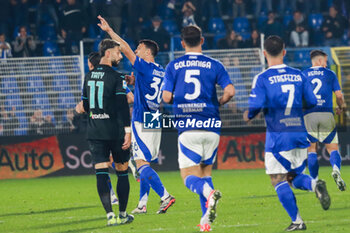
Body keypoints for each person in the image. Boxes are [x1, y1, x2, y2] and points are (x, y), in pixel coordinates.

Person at [244, 36, 330, 231]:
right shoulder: (299, 75)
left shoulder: (263, 78)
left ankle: (297, 221)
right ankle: (314, 185)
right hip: (299, 133)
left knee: (278, 179)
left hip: (277, 137)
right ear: (284, 52)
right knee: (294, 176)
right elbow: (311, 101)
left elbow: (254, 108)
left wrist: (249, 114)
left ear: (264, 53)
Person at [98, 15, 175, 215]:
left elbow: (123, 46)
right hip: (155, 117)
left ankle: (165, 196)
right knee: (145, 163)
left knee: (140, 164)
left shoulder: (145, 65)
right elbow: (144, 84)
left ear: (147, 52)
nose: (136, 51)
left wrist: (109, 31)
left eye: (139, 48)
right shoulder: (161, 70)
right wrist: (130, 81)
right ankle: (142, 203)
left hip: (141, 118)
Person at [162, 25, 235, 232]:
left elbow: (166, 97)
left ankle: (209, 194)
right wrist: (218, 102)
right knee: (205, 173)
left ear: (182, 43)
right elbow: (230, 91)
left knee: (188, 177)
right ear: (202, 41)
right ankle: (206, 222)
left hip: (189, 127)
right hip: (211, 126)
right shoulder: (215, 65)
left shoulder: (174, 66)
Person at [79, 39, 134, 226]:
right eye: (118, 53)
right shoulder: (116, 77)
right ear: (108, 53)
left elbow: (86, 105)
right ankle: (124, 213)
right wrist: (128, 131)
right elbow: (122, 106)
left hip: (95, 131)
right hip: (115, 131)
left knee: (101, 173)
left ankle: (110, 215)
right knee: (122, 172)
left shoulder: (88, 76)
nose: (121, 56)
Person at [303, 50, 346, 191]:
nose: (326, 64)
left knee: (311, 149)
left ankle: (315, 182)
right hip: (327, 114)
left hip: (309, 115)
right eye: (326, 61)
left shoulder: (303, 74)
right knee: (333, 147)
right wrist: (341, 107)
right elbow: (339, 96)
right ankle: (335, 169)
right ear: (320, 61)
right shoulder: (330, 74)